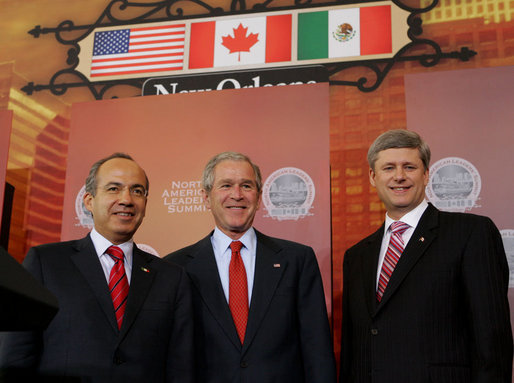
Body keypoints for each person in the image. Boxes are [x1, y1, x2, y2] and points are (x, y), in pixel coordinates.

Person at [0, 153, 194, 383]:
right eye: (114, 188)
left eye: (137, 191)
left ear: (145, 204)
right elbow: (14, 360)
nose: (127, 199)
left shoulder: (172, 277)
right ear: (89, 200)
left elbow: (181, 370)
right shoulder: (45, 262)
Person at [340, 130, 513, 383]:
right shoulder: (356, 256)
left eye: (409, 167)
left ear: (426, 174)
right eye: (389, 168)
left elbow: (492, 340)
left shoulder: (471, 233)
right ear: (373, 177)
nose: (399, 176)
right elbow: (353, 348)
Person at [165, 151, 336, 383]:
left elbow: (317, 351)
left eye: (246, 186)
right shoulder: (176, 267)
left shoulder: (297, 260)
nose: (237, 195)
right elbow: (172, 357)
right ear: (206, 197)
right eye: (226, 185)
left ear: (259, 196)